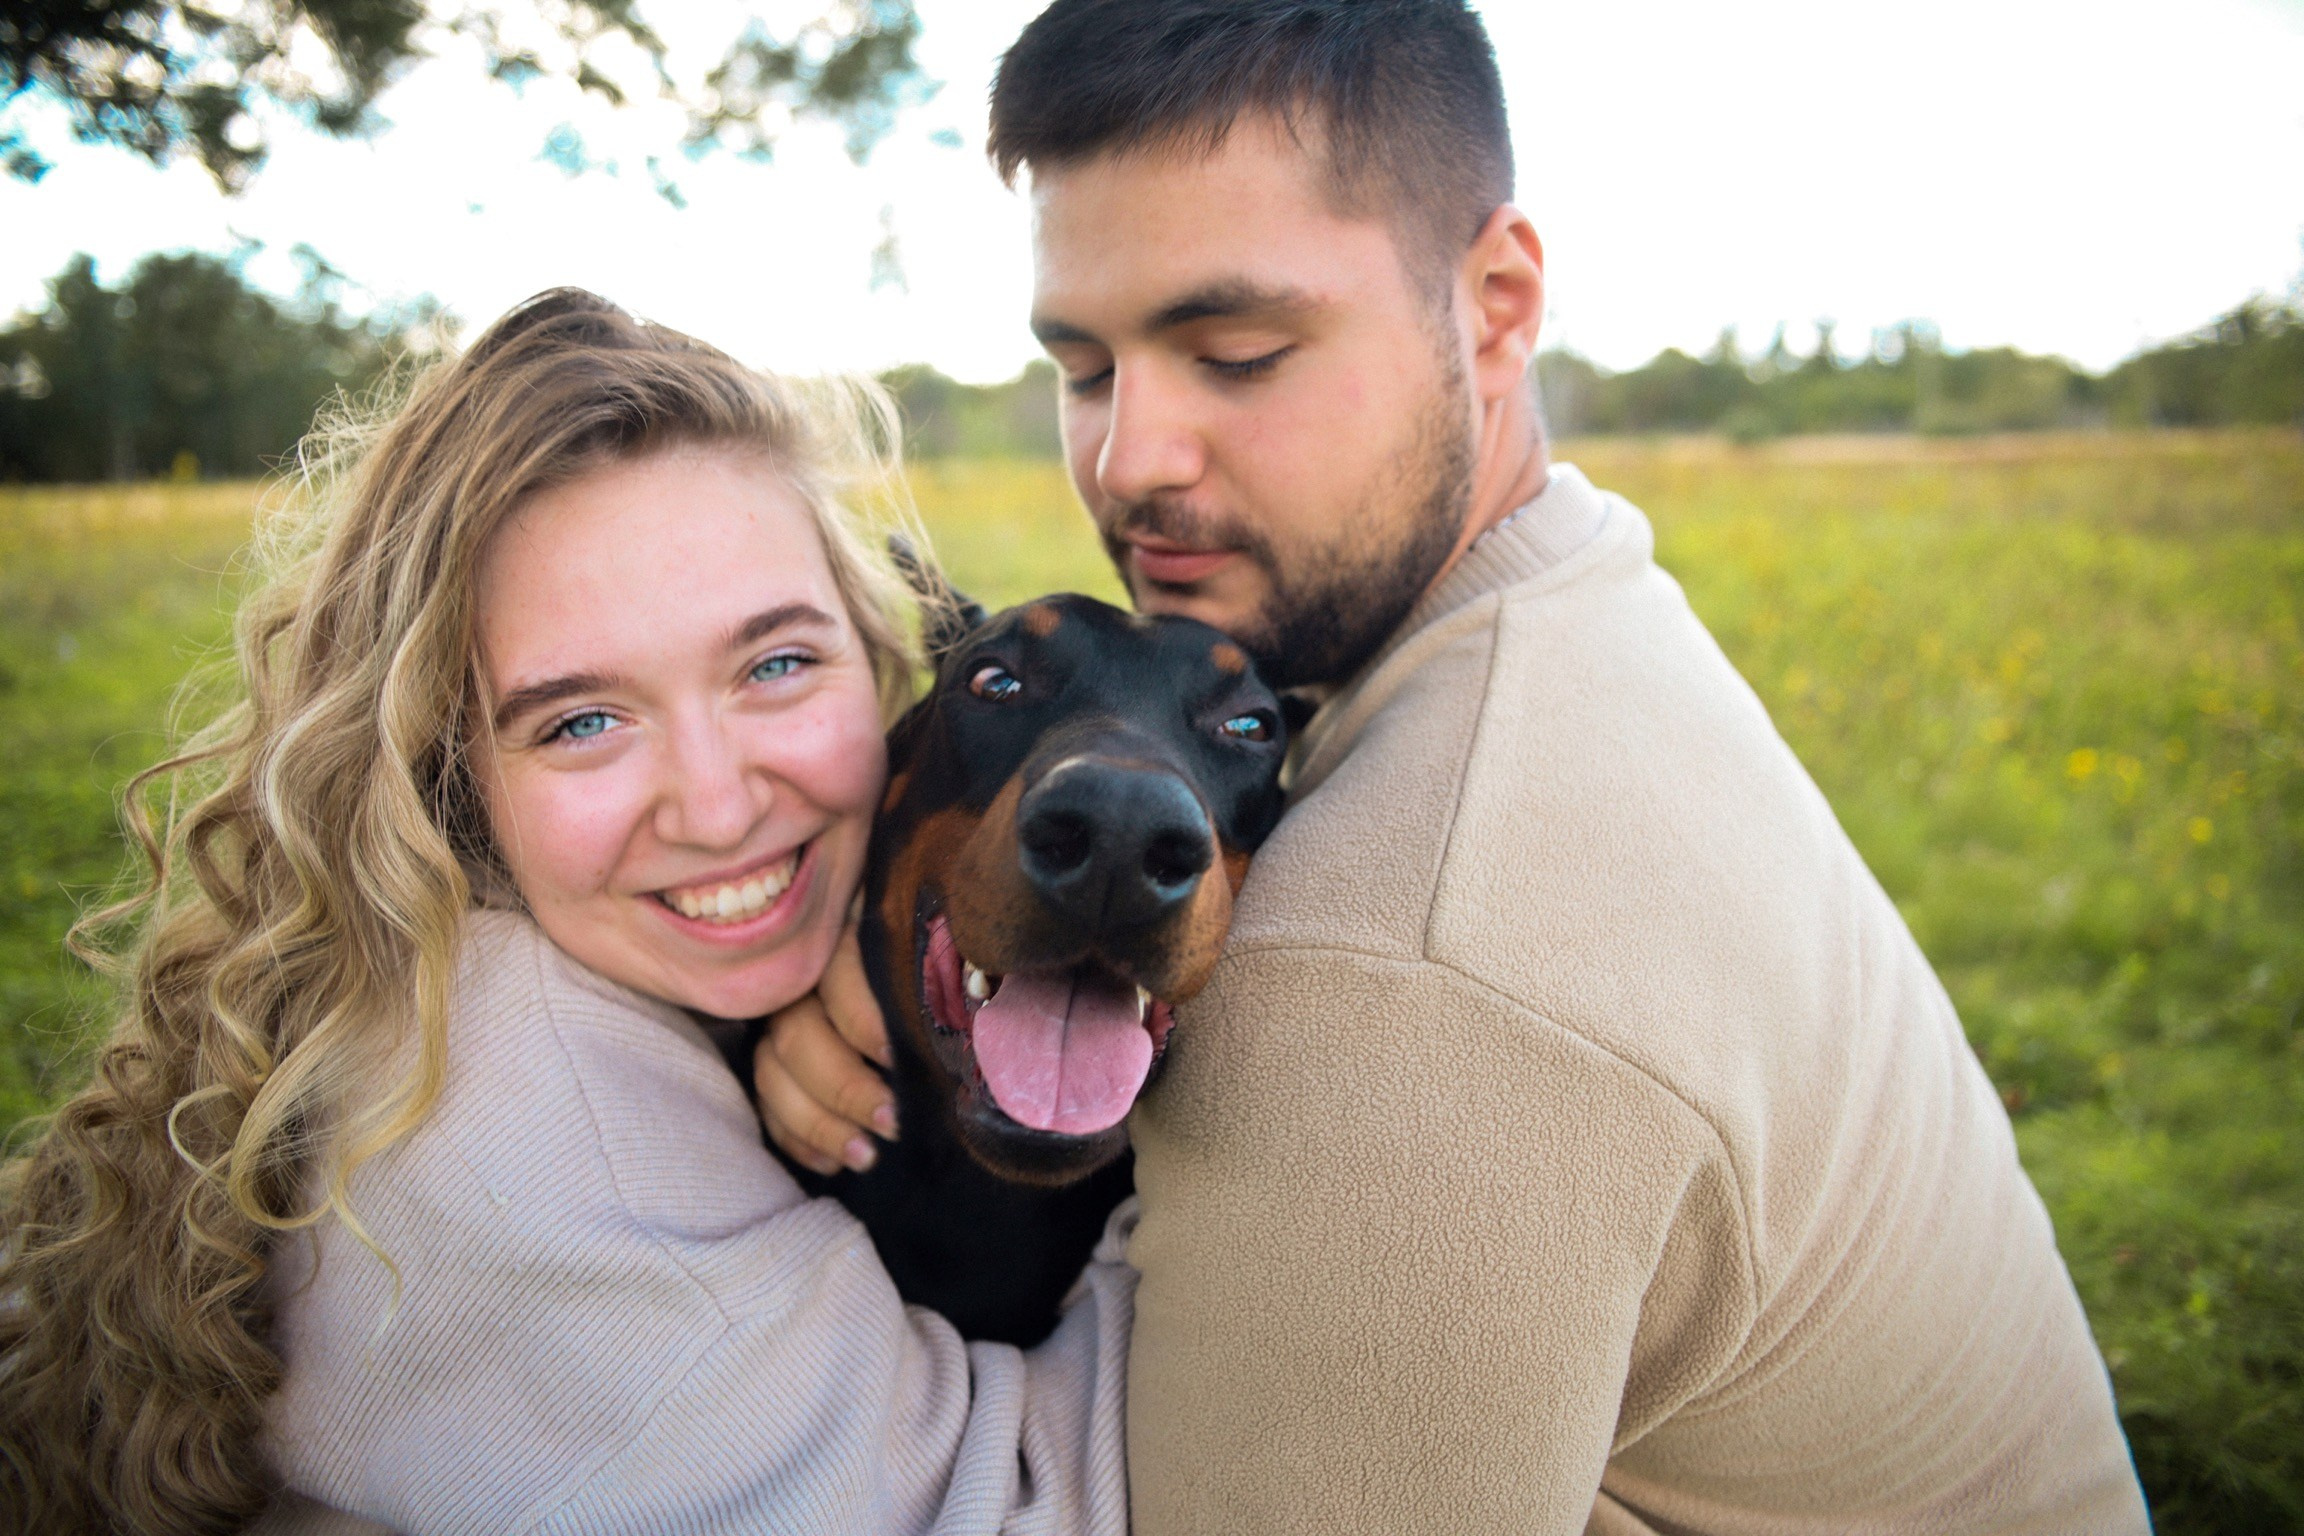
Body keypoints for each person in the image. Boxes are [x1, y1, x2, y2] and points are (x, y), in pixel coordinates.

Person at [759, 2, 2153, 1531]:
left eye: (1237, 354)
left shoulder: (1406, 960)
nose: (1130, 457)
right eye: (1086, 368)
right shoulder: (1567, 595)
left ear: (1493, 307)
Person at [0, 291, 1130, 1536]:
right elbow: (1034, 1508)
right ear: (453, 776)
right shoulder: (519, 1092)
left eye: (776, 665)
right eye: (582, 720)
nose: (714, 808)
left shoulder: (529, 951)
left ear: (881, 663)